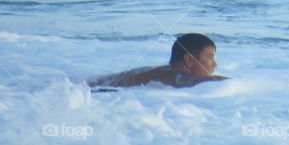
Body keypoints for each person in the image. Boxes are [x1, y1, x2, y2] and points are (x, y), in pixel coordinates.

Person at [88, 33, 228, 89]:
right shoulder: (173, 76)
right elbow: (195, 81)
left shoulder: (159, 70)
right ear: (189, 60)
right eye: (210, 57)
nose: (215, 64)